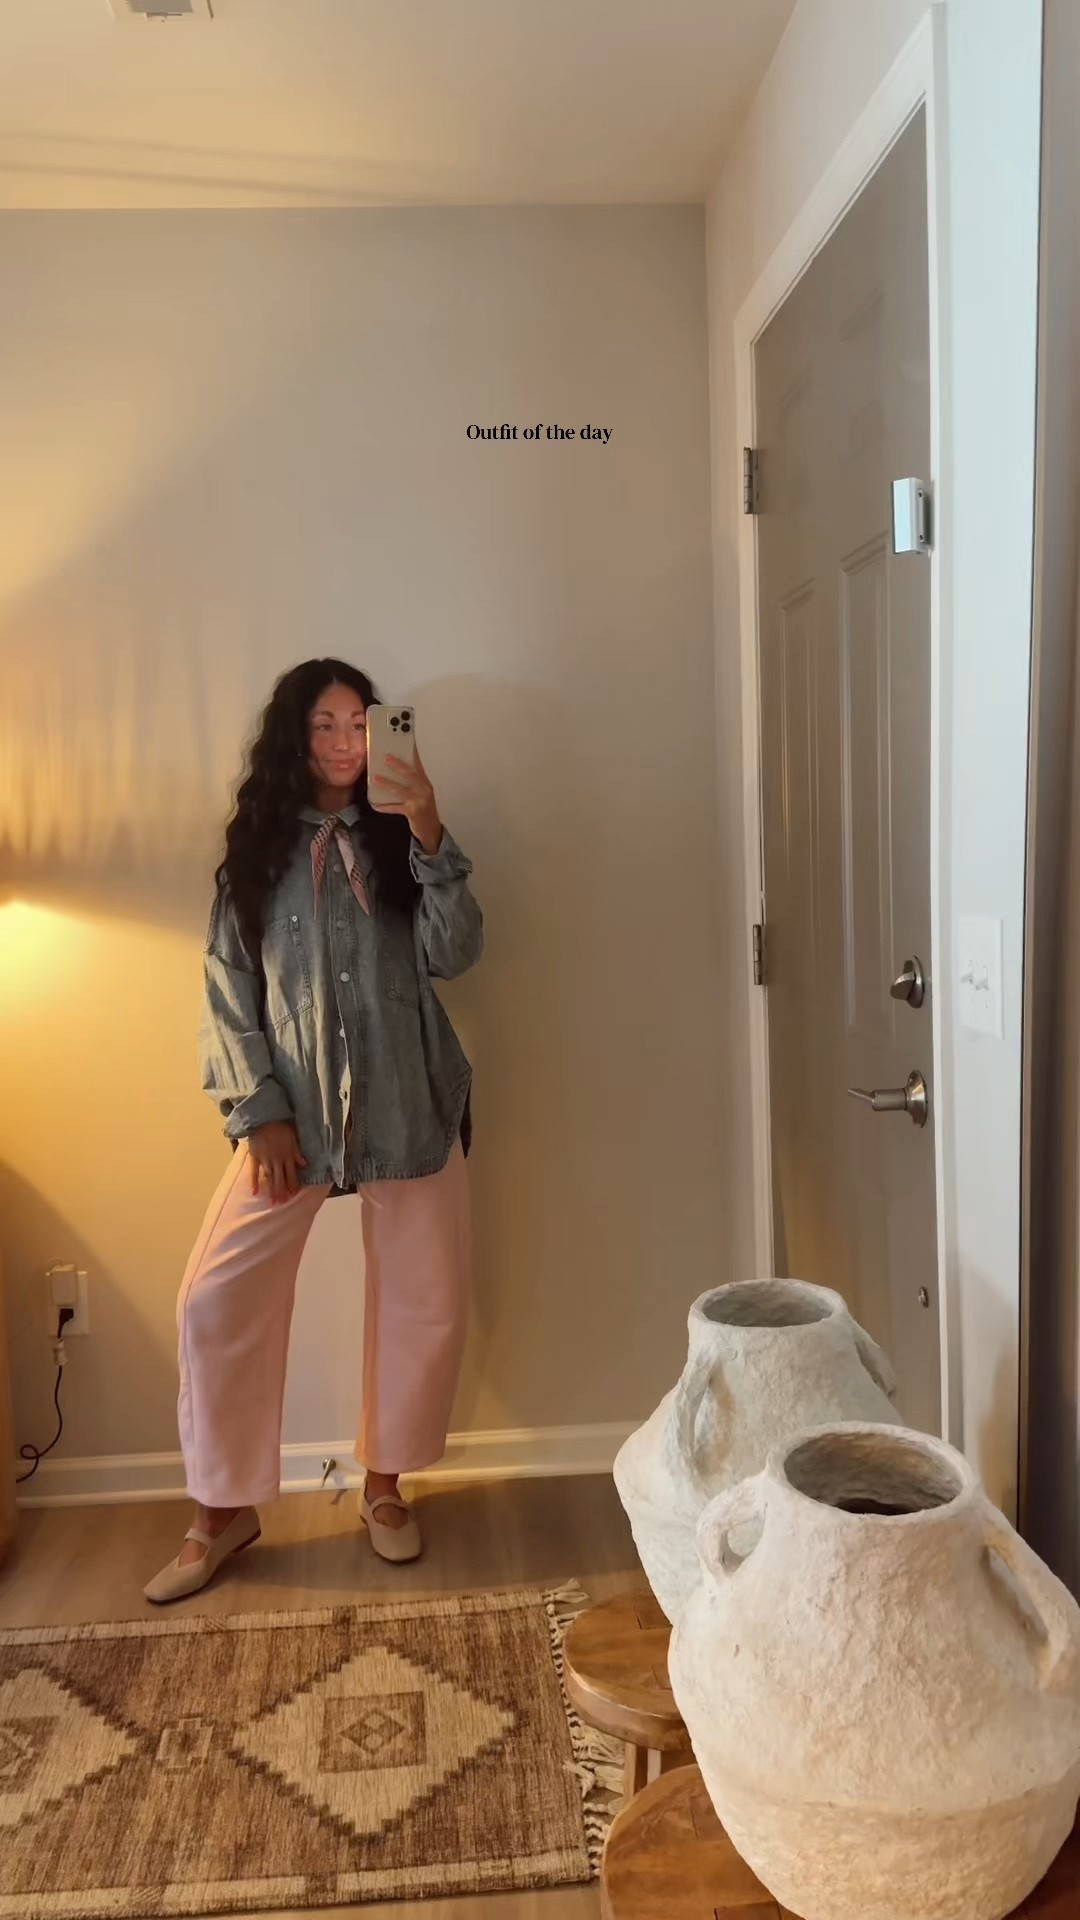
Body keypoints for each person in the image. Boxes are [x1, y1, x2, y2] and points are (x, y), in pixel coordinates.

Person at [145, 659, 482, 1604]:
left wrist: (428, 831)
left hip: (408, 1102)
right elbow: (227, 987)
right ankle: (222, 1509)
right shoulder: (258, 854)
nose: (344, 744)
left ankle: (384, 1487)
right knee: (214, 1299)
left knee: (422, 1299)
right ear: (296, 739)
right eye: (325, 726)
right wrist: (259, 1113)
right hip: (289, 1118)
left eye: (359, 725)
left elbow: (457, 952)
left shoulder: (402, 841)